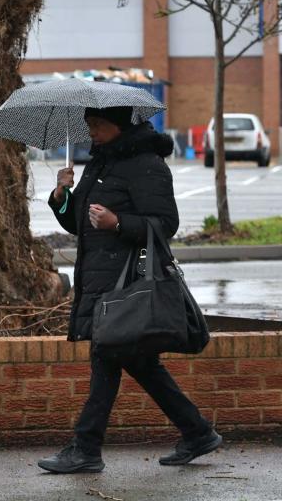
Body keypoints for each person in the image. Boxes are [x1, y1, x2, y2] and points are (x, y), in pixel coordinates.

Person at [37, 106, 221, 474]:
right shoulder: (100, 162)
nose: (91, 132)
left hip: (128, 283)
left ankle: (86, 448)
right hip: (100, 280)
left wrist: (118, 222)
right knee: (137, 362)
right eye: (88, 126)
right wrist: (62, 196)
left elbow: (166, 223)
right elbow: (81, 224)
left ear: (119, 125)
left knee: (106, 357)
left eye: (98, 125)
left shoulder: (145, 163)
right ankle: (197, 432)